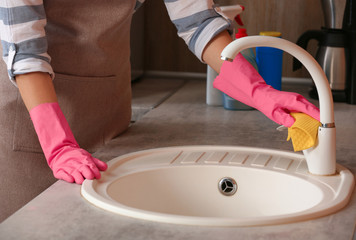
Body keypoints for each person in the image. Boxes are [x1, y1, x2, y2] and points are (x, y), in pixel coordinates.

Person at [0, 0, 319, 221]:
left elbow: (200, 22)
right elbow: (24, 50)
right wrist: (59, 144)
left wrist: (258, 91)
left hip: (107, 113)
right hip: (33, 120)